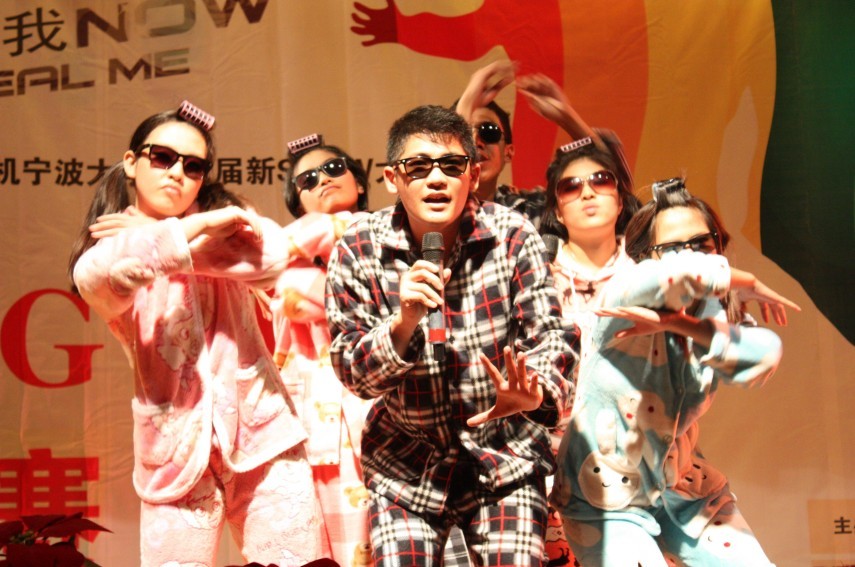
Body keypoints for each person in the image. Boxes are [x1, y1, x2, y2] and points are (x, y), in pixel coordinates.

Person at [68, 102, 323, 567]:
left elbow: (274, 257)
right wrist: (183, 232)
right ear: (132, 162)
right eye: (163, 157)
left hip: (264, 437)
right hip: (173, 453)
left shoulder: (228, 221)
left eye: (193, 166)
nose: (177, 173)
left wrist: (168, 234)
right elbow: (94, 276)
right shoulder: (114, 242)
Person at [325, 104, 577, 566]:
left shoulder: (512, 235)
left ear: (474, 173)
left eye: (452, 166)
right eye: (418, 167)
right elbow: (352, 372)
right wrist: (403, 324)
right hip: (404, 464)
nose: (436, 179)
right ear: (391, 178)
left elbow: (552, 337)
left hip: (505, 456)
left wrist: (535, 393)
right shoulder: (359, 247)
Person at [550, 177, 799, 566]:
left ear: (718, 245)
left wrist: (683, 325)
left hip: (683, 486)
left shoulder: (718, 316)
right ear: (645, 256)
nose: (691, 256)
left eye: (701, 244)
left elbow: (762, 356)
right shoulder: (624, 293)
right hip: (604, 497)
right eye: (671, 249)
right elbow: (668, 278)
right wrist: (743, 279)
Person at [272, 133, 374, 566]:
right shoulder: (284, 265)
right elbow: (293, 297)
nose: (323, 180)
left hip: (387, 419)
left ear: (360, 182)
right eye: (307, 180)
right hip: (318, 429)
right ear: (298, 205)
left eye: (333, 169)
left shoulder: (388, 235)